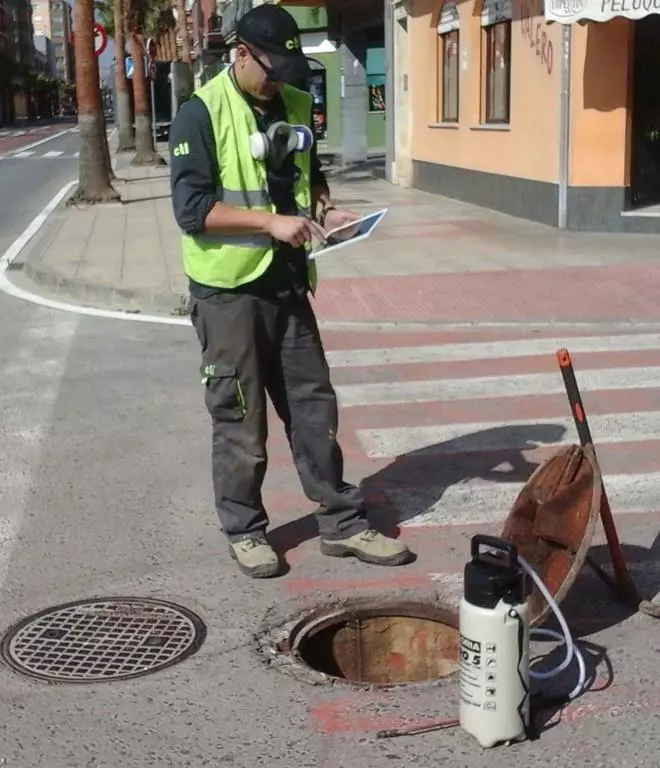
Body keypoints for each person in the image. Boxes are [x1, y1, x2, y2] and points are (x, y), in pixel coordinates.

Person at [168, 3, 412, 578]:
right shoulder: (200, 113)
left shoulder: (297, 103)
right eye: (270, 68)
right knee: (240, 419)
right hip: (228, 294)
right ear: (241, 53)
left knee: (314, 409)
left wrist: (327, 207)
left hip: (288, 284)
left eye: (286, 69)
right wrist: (270, 224)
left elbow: (308, 174)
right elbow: (193, 209)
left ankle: (343, 523)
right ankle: (245, 530)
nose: (278, 80)